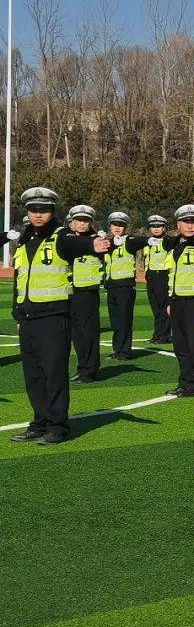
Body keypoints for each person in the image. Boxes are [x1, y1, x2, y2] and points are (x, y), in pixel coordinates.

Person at [8, 187, 109, 444]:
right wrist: (18, 314)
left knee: (54, 374)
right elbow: (19, 281)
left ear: (53, 211)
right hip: (28, 318)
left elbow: (76, 243)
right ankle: (39, 422)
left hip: (54, 318)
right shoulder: (25, 240)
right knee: (33, 376)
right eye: (33, 209)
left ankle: (57, 426)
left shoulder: (60, 236)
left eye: (43, 210)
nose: (38, 214)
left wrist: (92, 244)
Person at [164, 204, 194, 397]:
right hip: (177, 302)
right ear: (178, 224)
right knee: (180, 346)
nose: (190, 226)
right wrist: (169, 300)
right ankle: (184, 382)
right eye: (186, 222)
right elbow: (173, 275)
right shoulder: (175, 245)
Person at [103, 211, 151, 361]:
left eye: (121, 225)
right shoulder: (107, 243)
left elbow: (142, 240)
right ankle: (117, 350)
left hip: (125, 288)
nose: (117, 228)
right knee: (115, 323)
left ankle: (124, 352)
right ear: (110, 226)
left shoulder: (129, 242)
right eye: (114, 224)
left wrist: (148, 240)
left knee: (124, 321)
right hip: (111, 288)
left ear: (125, 227)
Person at [66, 205, 104, 384]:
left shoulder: (97, 240)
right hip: (68, 293)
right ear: (71, 222)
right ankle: (82, 368)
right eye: (79, 220)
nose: (82, 224)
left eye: (86, 221)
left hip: (87, 294)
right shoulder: (65, 240)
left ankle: (89, 371)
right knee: (76, 334)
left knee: (88, 333)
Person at [144, 214, 173, 344]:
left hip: (163, 276)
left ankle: (164, 335)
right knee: (155, 308)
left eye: (159, 226)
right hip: (151, 277)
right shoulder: (147, 242)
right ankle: (157, 334)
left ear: (164, 228)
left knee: (164, 308)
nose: (156, 229)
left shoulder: (168, 241)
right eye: (153, 226)